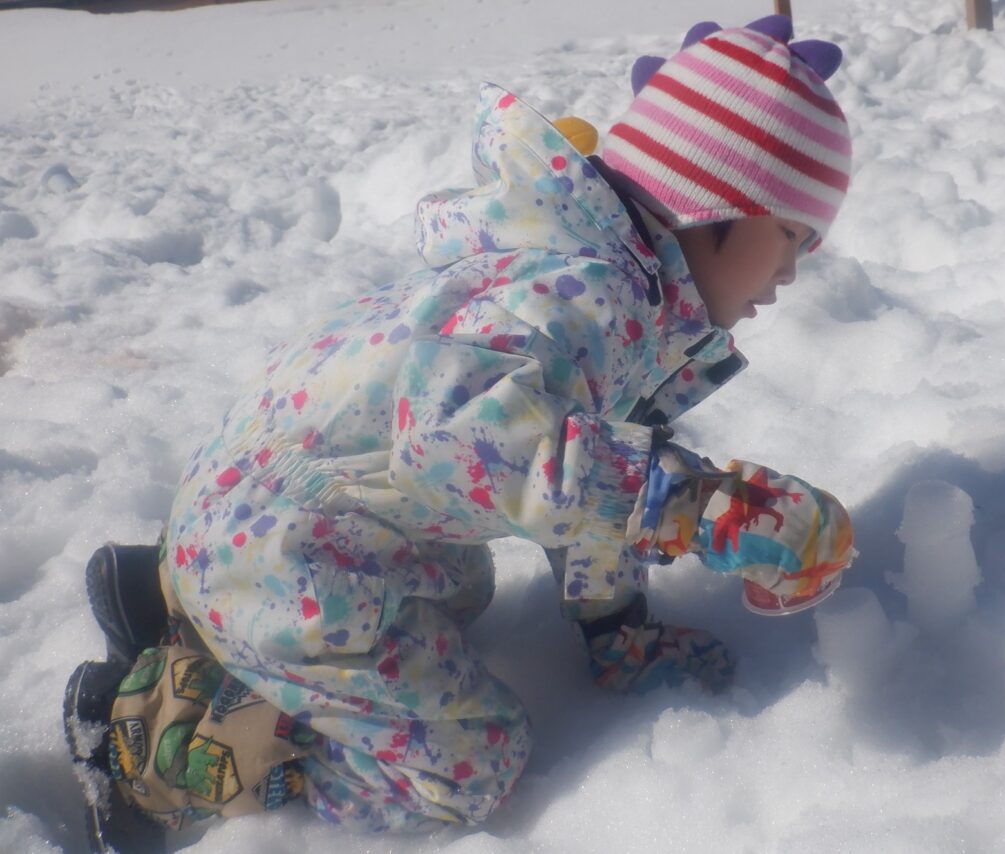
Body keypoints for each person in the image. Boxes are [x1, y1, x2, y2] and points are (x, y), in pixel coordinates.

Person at [63, 15, 856, 852]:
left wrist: (617, 629)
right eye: (791, 236)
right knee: (467, 766)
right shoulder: (583, 297)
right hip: (274, 551)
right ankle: (157, 741)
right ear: (716, 203)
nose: (791, 273)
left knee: (457, 588)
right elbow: (465, 445)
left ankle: (178, 602)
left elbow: (588, 467)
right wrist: (696, 504)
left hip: (274, 514)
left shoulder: (605, 286)